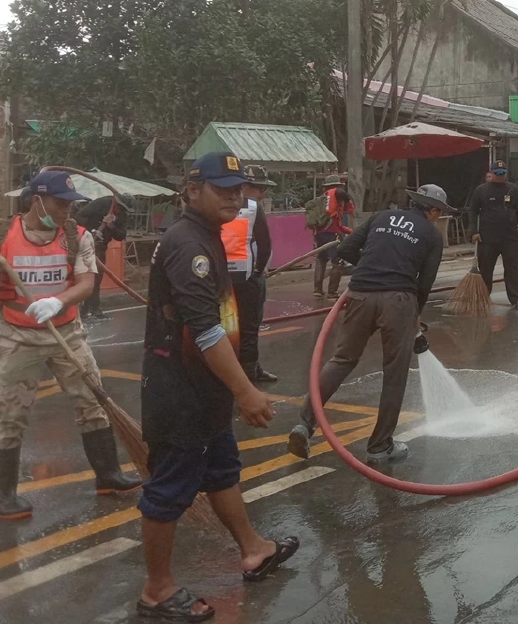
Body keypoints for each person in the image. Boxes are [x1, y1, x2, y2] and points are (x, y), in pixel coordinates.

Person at [137, 152, 297, 621]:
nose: (233, 195)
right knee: (169, 489)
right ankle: (157, 591)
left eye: (237, 187)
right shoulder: (189, 245)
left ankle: (253, 549)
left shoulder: (208, 235)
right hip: (179, 390)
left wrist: (231, 387)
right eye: (221, 187)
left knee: (222, 468)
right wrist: (246, 390)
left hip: (207, 388)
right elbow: (205, 329)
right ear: (192, 190)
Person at [0, 170, 142, 519]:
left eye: (70, 204)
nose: (66, 211)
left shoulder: (77, 237)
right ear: (37, 201)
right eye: (60, 204)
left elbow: (85, 284)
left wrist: (58, 302)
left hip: (67, 332)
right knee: (9, 415)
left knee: (93, 401)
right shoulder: (6, 236)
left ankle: (109, 475)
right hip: (19, 335)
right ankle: (4, 496)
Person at [288, 185, 450, 464]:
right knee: (394, 372)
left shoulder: (381, 217)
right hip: (398, 300)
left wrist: (373, 266)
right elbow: (424, 284)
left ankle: (304, 423)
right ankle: (379, 446)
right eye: (439, 213)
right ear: (433, 210)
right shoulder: (432, 235)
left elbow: (346, 249)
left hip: (360, 293)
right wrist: (414, 316)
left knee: (341, 359)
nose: (438, 217)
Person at [221, 165, 276, 383]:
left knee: (224, 329)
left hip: (220, 278)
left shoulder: (218, 206)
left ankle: (244, 371)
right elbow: (264, 245)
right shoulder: (253, 208)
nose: (262, 194)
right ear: (244, 185)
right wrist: (258, 270)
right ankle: (247, 379)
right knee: (248, 330)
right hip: (247, 279)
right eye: (258, 188)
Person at [468, 161, 518, 311]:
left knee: (512, 269)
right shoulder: (481, 191)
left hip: (509, 237)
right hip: (487, 238)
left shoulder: (513, 190)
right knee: (486, 269)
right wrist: (474, 232)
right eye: (497, 173)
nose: (500, 176)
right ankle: (483, 297)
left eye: (502, 173)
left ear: (506, 173)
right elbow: (473, 211)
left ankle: (516, 299)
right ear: (492, 173)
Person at [75, 195, 130, 321]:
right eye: (119, 207)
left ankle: (93, 309)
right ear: (115, 202)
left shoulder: (122, 216)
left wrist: (111, 226)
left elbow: (121, 236)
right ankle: (84, 310)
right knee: (88, 277)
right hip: (88, 244)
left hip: (101, 247)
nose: (120, 211)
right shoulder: (101, 203)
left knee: (97, 278)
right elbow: (78, 217)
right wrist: (91, 231)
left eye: (123, 209)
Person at [312, 173, 354, 298]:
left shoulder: (322, 199)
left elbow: (338, 225)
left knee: (321, 258)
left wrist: (351, 231)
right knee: (338, 262)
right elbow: (336, 225)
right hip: (332, 234)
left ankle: (317, 290)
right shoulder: (335, 192)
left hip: (320, 234)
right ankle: (332, 292)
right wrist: (350, 205)